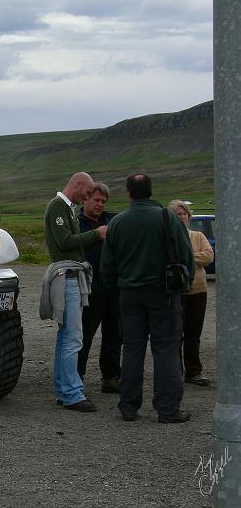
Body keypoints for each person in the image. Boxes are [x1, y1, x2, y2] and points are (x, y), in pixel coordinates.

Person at [101, 173, 194, 423]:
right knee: (165, 349)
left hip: (129, 295)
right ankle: (167, 409)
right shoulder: (168, 218)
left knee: (132, 349)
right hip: (163, 294)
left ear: (129, 193)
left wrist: (115, 288)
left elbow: (107, 264)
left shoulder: (118, 222)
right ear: (151, 191)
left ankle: (129, 407)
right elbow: (186, 256)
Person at [43, 172, 107, 412]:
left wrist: (95, 237)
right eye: (87, 193)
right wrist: (96, 234)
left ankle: (65, 389)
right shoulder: (58, 207)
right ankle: (71, 393)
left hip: (72, 276)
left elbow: (73, 242)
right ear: (78, 185)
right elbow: (64, 241)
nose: (87, 198)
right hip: (67, 277)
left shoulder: (66, 208)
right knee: (73, 337)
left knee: (66, 337)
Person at [77, 183, 122, 394]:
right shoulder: (77, 223)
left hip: (113, 288)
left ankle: (111, 377)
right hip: (88, 289)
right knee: (84, 335)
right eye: (96, 200)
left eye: (103, 201)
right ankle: (76, 378)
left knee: (114, 334)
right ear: (85, 199)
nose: (100, 204)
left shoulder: (113, 222)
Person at [169, 200, 214, 386]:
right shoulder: (168, 239)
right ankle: (174, 373)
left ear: (189, 216)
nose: (181, 217)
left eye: (184, 214)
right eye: (177, 214)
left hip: (198, 291)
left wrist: (184, 258)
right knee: (175, 334)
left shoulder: (198, 236)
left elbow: (209, 256)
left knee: (193, 334)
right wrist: (193, 259)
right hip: (177, 293)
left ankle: (193, 372)